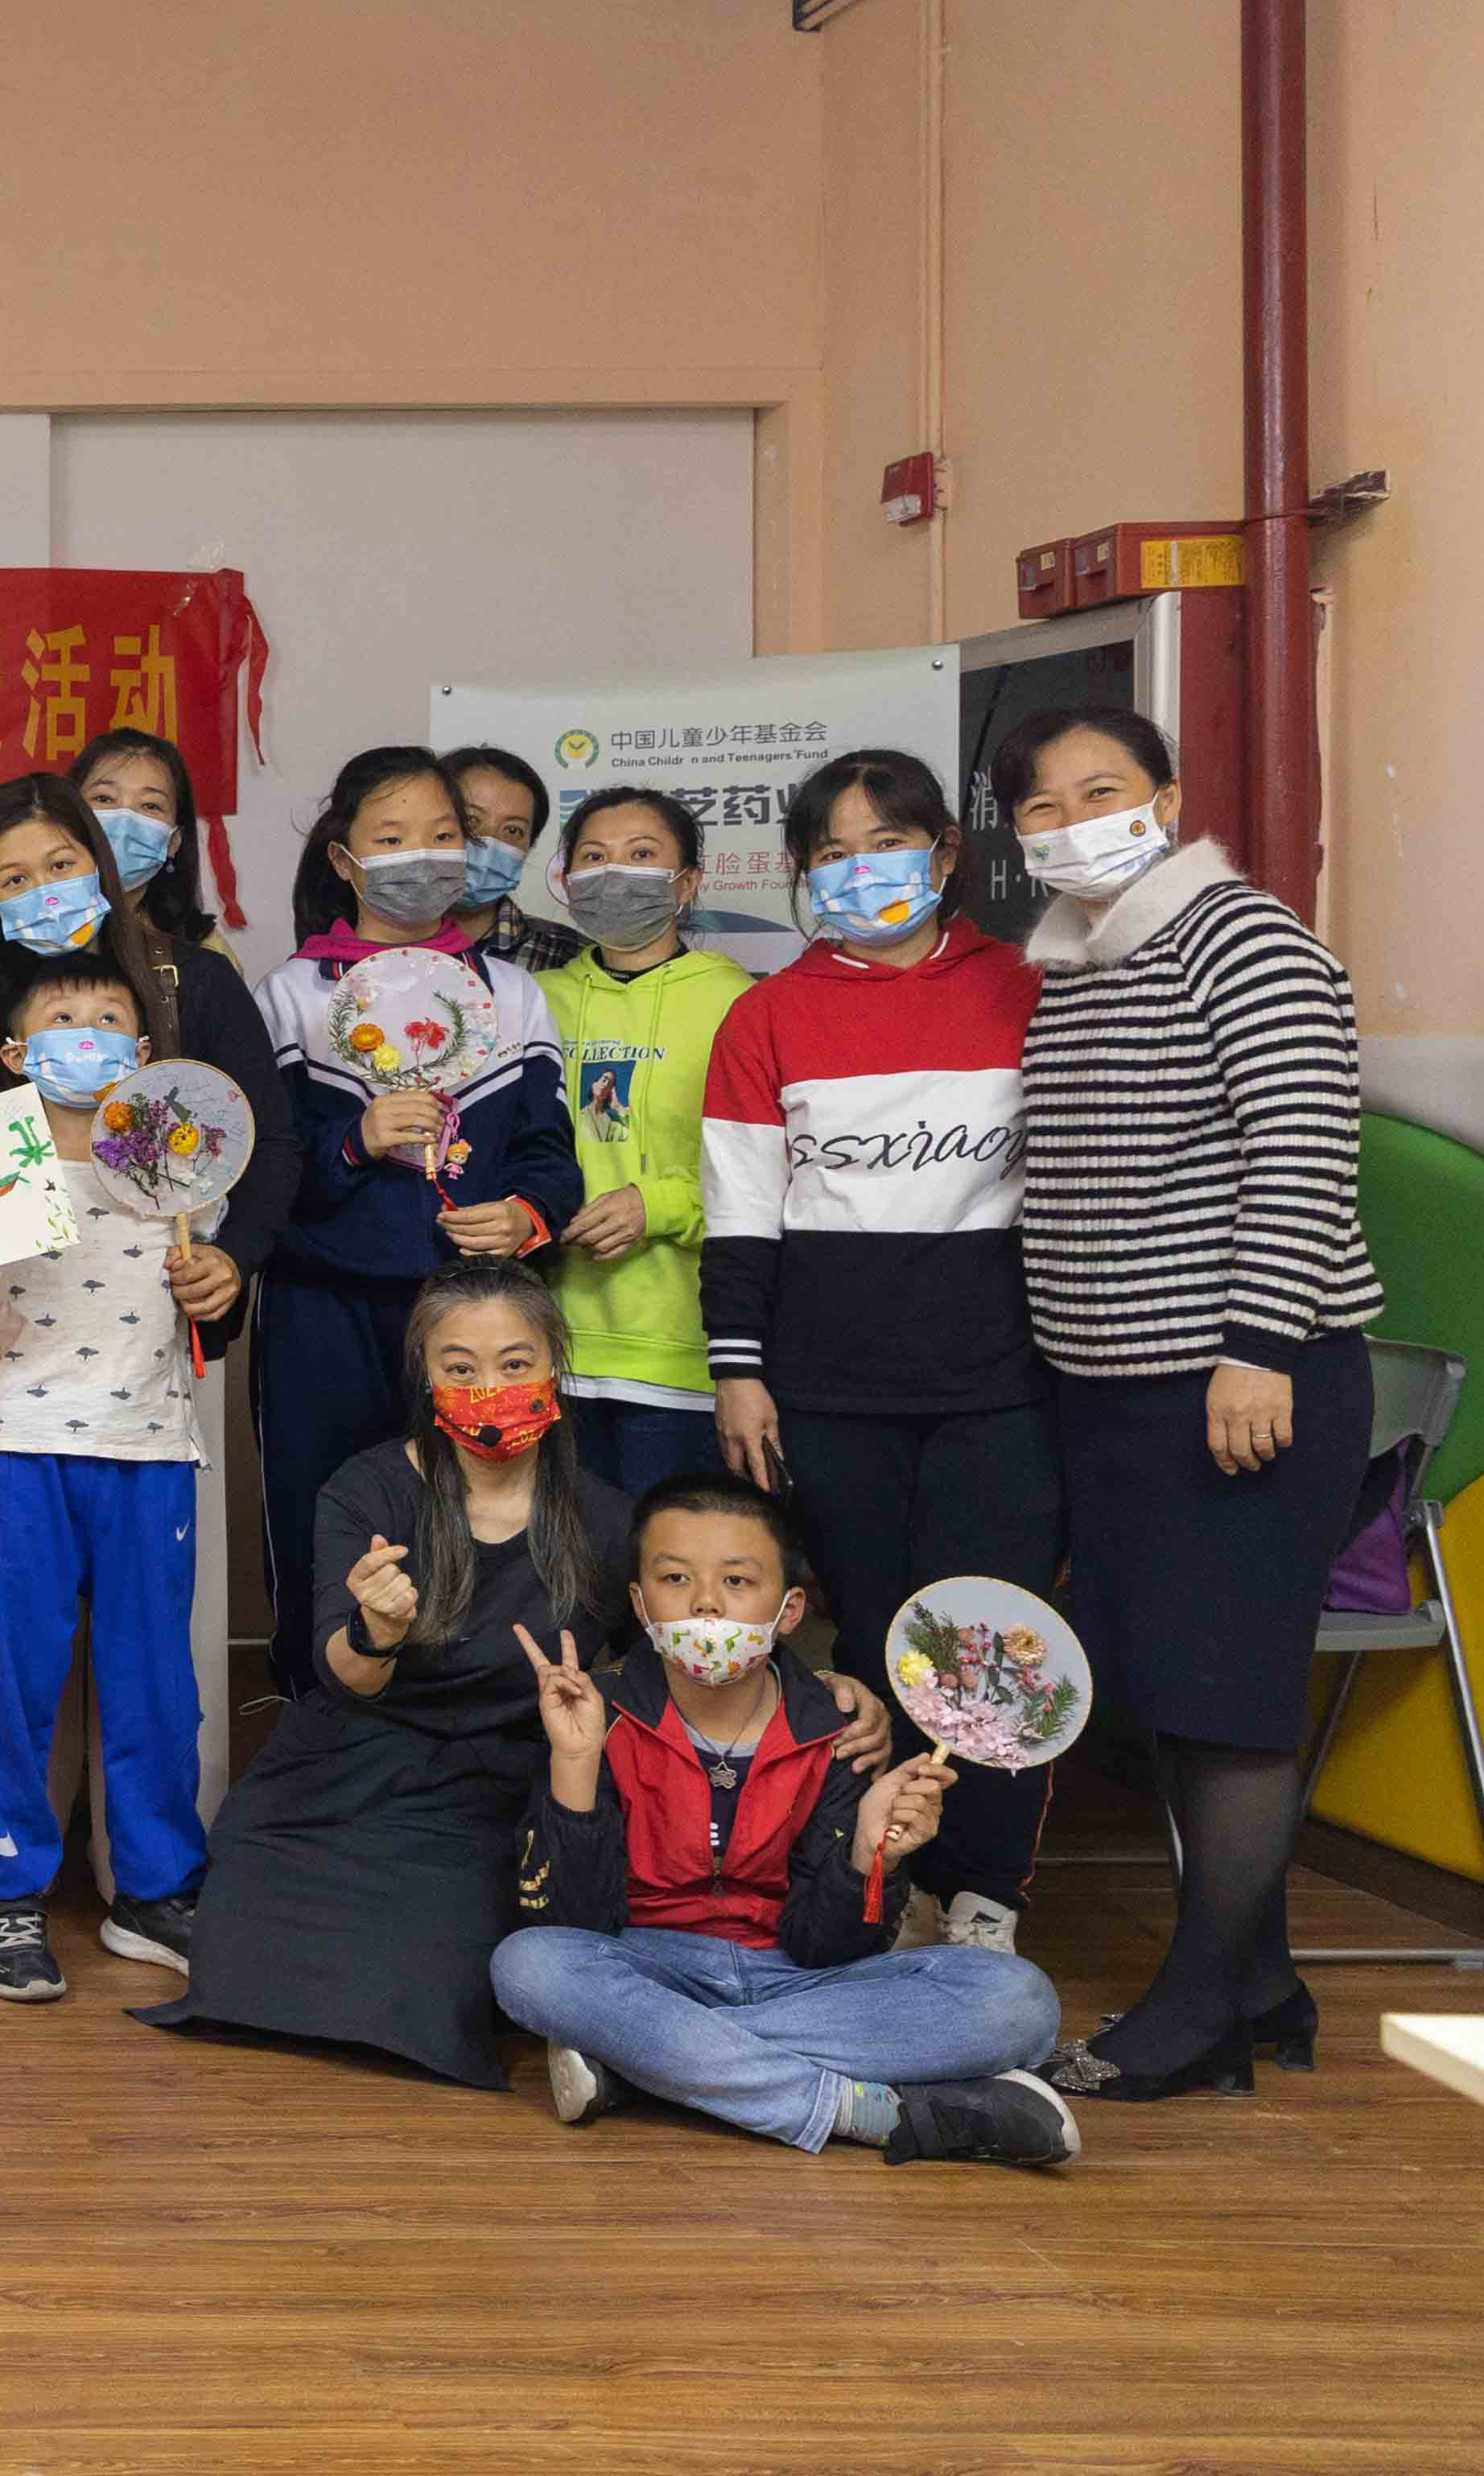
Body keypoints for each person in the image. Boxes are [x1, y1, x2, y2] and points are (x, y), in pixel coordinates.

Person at [1004, 708, 1385, 2101]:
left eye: (1099, 790)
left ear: (1164, 798)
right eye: (1040, 808)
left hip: (1239, 1379)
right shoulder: (1079, 959)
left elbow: (1301, 1148)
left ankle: (1193, 2015)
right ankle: (1262, 1983)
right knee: (1173, 1692)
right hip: (1114, 1385)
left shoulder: (1241, 935)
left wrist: (1257, 1344)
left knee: (1227, 1699)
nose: (1071, 824)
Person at [700, 749, 1059, 1950]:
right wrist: (738, 1371)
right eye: (834, 855)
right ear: (802, 872)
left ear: (946, 853)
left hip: (1001, 1384)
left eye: (889, 846)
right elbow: (740, 1216)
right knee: (870, 1641)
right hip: (827, 1389)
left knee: (987, 1645)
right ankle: (885, 1878)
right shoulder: (767, 1015)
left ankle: (984, 1894)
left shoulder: (1031, 988)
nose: (863, 873)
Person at [490, 1472, 1078, 2166]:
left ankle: (646, 2062)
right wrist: (576, 1763)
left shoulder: (840, 1731)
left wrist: (869, 1856)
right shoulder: (595, 1710)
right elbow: (575, 1926)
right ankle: (869, 2112)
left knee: (1018, 2001)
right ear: (640, 1602)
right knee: (529, 1965)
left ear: (790, 1609)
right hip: (645, 1967)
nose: (706, 1602)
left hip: (800, 1979)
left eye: (737, 1581)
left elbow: (827, 1949)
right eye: (675, 1578)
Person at [138, 1263, 627, 2086]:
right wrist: (376, 1632)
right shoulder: (365, 1488)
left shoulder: (606, 1518)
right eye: (459, 1368)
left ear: (554, 1364)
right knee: (233, 1949)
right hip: (345, 1764)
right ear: (425, 1376)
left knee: (426, 1983)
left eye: (514, 1363)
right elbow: (345, 1678)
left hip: (493, 1791)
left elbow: (664, 1666)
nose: (488, 1387)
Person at [0, 933, 247, 2002]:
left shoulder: (178, 1162)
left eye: (107, 1023)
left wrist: (219, 1276)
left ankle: (153, 1888)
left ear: (141, 1051)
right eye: (60, 1023)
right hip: (22, 1445)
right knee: (7, 1681)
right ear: (15, 1052)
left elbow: (216, 1280)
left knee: (154, 1685)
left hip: (149, 1446)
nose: (84, 1038)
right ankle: (6, 1891)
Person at [249, 746, 583, 1697]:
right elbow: (263, 1173)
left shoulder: (511, 994)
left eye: (441, 837)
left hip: (470, 1311)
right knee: (320, 1510)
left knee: (480, 1517)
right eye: (390, 839)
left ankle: (467, 1719)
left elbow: (549, 1153)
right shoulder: (290, 996)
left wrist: (524, 1214)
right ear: (343, 860)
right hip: (322, 1306)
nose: (420, 858)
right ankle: (318, 1713)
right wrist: (353, 1141)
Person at [0, 770, 298, 1331]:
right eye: (15, 879)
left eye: (62, 865)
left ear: (98, 864)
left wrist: (234, 1255)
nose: (46, 892)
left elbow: (270, 1140)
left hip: (169, 1319)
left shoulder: (194, 980)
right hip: (22, 1333)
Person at [535, 788, 749, 1502]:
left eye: (642, 855)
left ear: (686, 884)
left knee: (669, 1558)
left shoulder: (737, 1001)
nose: (615, 874)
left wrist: (655, 1205)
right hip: (548, 1347)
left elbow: (762, 1172)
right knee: (568, 1560)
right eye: (594, 857)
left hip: (679, 1352)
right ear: (567, 880)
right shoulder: (535, 999)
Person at [74, 724, 234, 961]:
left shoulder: (207, 954)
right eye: (104, 798)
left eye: (150, 806)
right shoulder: (30, 930)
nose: (125, 821)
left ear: (174, 841)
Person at [439, 744, 588, 974]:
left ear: (529, 847)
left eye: (512, 830)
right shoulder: (384, 945)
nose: (488, 843)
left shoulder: (570, 958)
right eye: (469, 821)